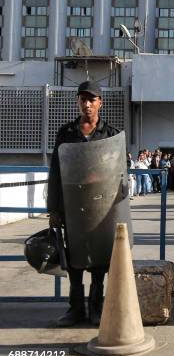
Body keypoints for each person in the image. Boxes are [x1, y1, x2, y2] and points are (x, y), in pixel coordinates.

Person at [47, 80, 120, 326]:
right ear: (77, 102)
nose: (87, 104)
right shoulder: (66, 133)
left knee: (99, 259)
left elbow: (120, 172)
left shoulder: (110, 134)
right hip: (72, 205)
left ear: (101, 102)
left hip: (101, 206)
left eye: (92, 99)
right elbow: (56, 171)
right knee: (74, 258)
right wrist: (53, 209)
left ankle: (96, 308)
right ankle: (75, 309)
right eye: (83, 99)